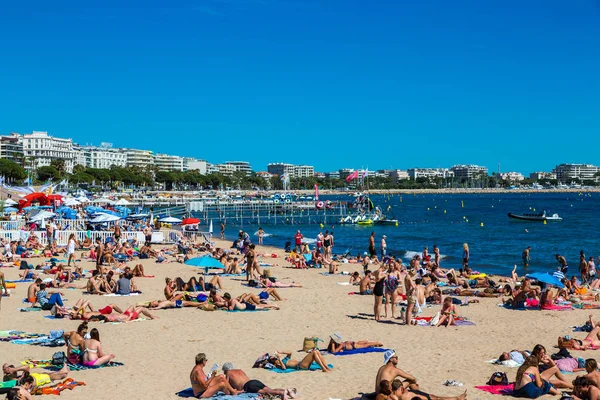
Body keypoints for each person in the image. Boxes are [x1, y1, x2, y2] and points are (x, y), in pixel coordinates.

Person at [375, 350, 466, 400]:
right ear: (391, 359)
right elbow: (412, 378)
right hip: (389, 392)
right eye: (396, 357)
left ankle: (419, 394)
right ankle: (418, 393)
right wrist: (413, 382)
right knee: (412, 383)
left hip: (380, 393)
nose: (397, 359)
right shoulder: (393, 369)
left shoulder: (382, 368)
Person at [221, 362, 295, 399]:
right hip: (254, 381)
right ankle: (287, 390)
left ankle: (282, 393)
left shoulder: (228, 373)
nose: (224, 373)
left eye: (224, 371)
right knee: (270, 390)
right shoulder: (239, 370)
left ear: (225, 370)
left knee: (267, 392)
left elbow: (227, 387)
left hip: (248, 386)